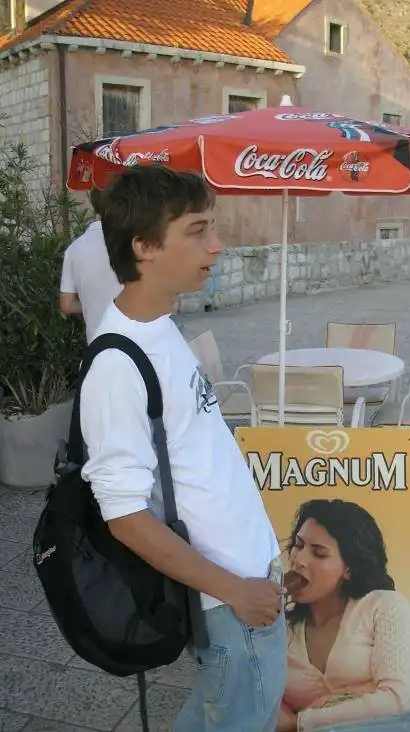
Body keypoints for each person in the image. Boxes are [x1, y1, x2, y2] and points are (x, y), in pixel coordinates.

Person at [79, 166, 287, 732]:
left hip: (245, 572)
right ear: (144, 246)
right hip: (229, 596)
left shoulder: (160, 326)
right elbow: (125, 517)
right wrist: (236, 591)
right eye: (197, 231)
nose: (216, 245)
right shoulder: (117, 364)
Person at [278, 499, 410, 732]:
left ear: (348, 568)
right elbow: (259, 694)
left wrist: (301, 722)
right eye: (298, 545)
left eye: (319, 553)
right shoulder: (282, 627)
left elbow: (399, 698)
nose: (299, 560)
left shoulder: (384, 606)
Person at [59, 187, 123, 343]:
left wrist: (93, 304)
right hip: (137, 340)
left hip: (97, 342)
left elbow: (66, 305)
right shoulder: (132, 243)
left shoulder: (73, 249)